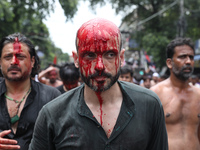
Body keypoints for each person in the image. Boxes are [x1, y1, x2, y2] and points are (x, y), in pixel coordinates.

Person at [29, 18, 168, 150]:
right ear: (76, 59)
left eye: (110, 54)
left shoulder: (149, 105)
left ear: (121, 58)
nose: (100, 66)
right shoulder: (52, 114)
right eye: (90, 55)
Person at [0, 33, 61, 150]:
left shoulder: (52, 97)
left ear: (32, 61)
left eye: (20, 57)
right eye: (8, 57)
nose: (14, 62)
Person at [150, 37, 200, 150]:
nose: (188, 61)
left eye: (191, 57)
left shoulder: (198, 95)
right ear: (169, 63)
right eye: (182, 57)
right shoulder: (155, 94)